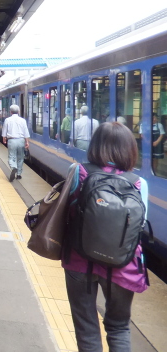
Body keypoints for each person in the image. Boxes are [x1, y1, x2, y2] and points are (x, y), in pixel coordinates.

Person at [62, 122, 149, 352]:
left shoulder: (77, 171)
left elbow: (64, 211)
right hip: (123, 265)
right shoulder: (139, 184)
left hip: (79, 261)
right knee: (119, 327)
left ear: (95, 145)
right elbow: (139, 224)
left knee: (86, 327)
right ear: (130, 149)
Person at [2, 104, 30, 182]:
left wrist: (4, 139)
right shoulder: (23, 120)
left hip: (12, 141)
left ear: (10, 112)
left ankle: (14, 167)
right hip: (21, 140)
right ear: (18, 111)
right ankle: (19, 174)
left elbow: (4, 132)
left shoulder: (7, 120)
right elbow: (26, 132)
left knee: (11, 157)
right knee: (20, 157)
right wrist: (27, 142)